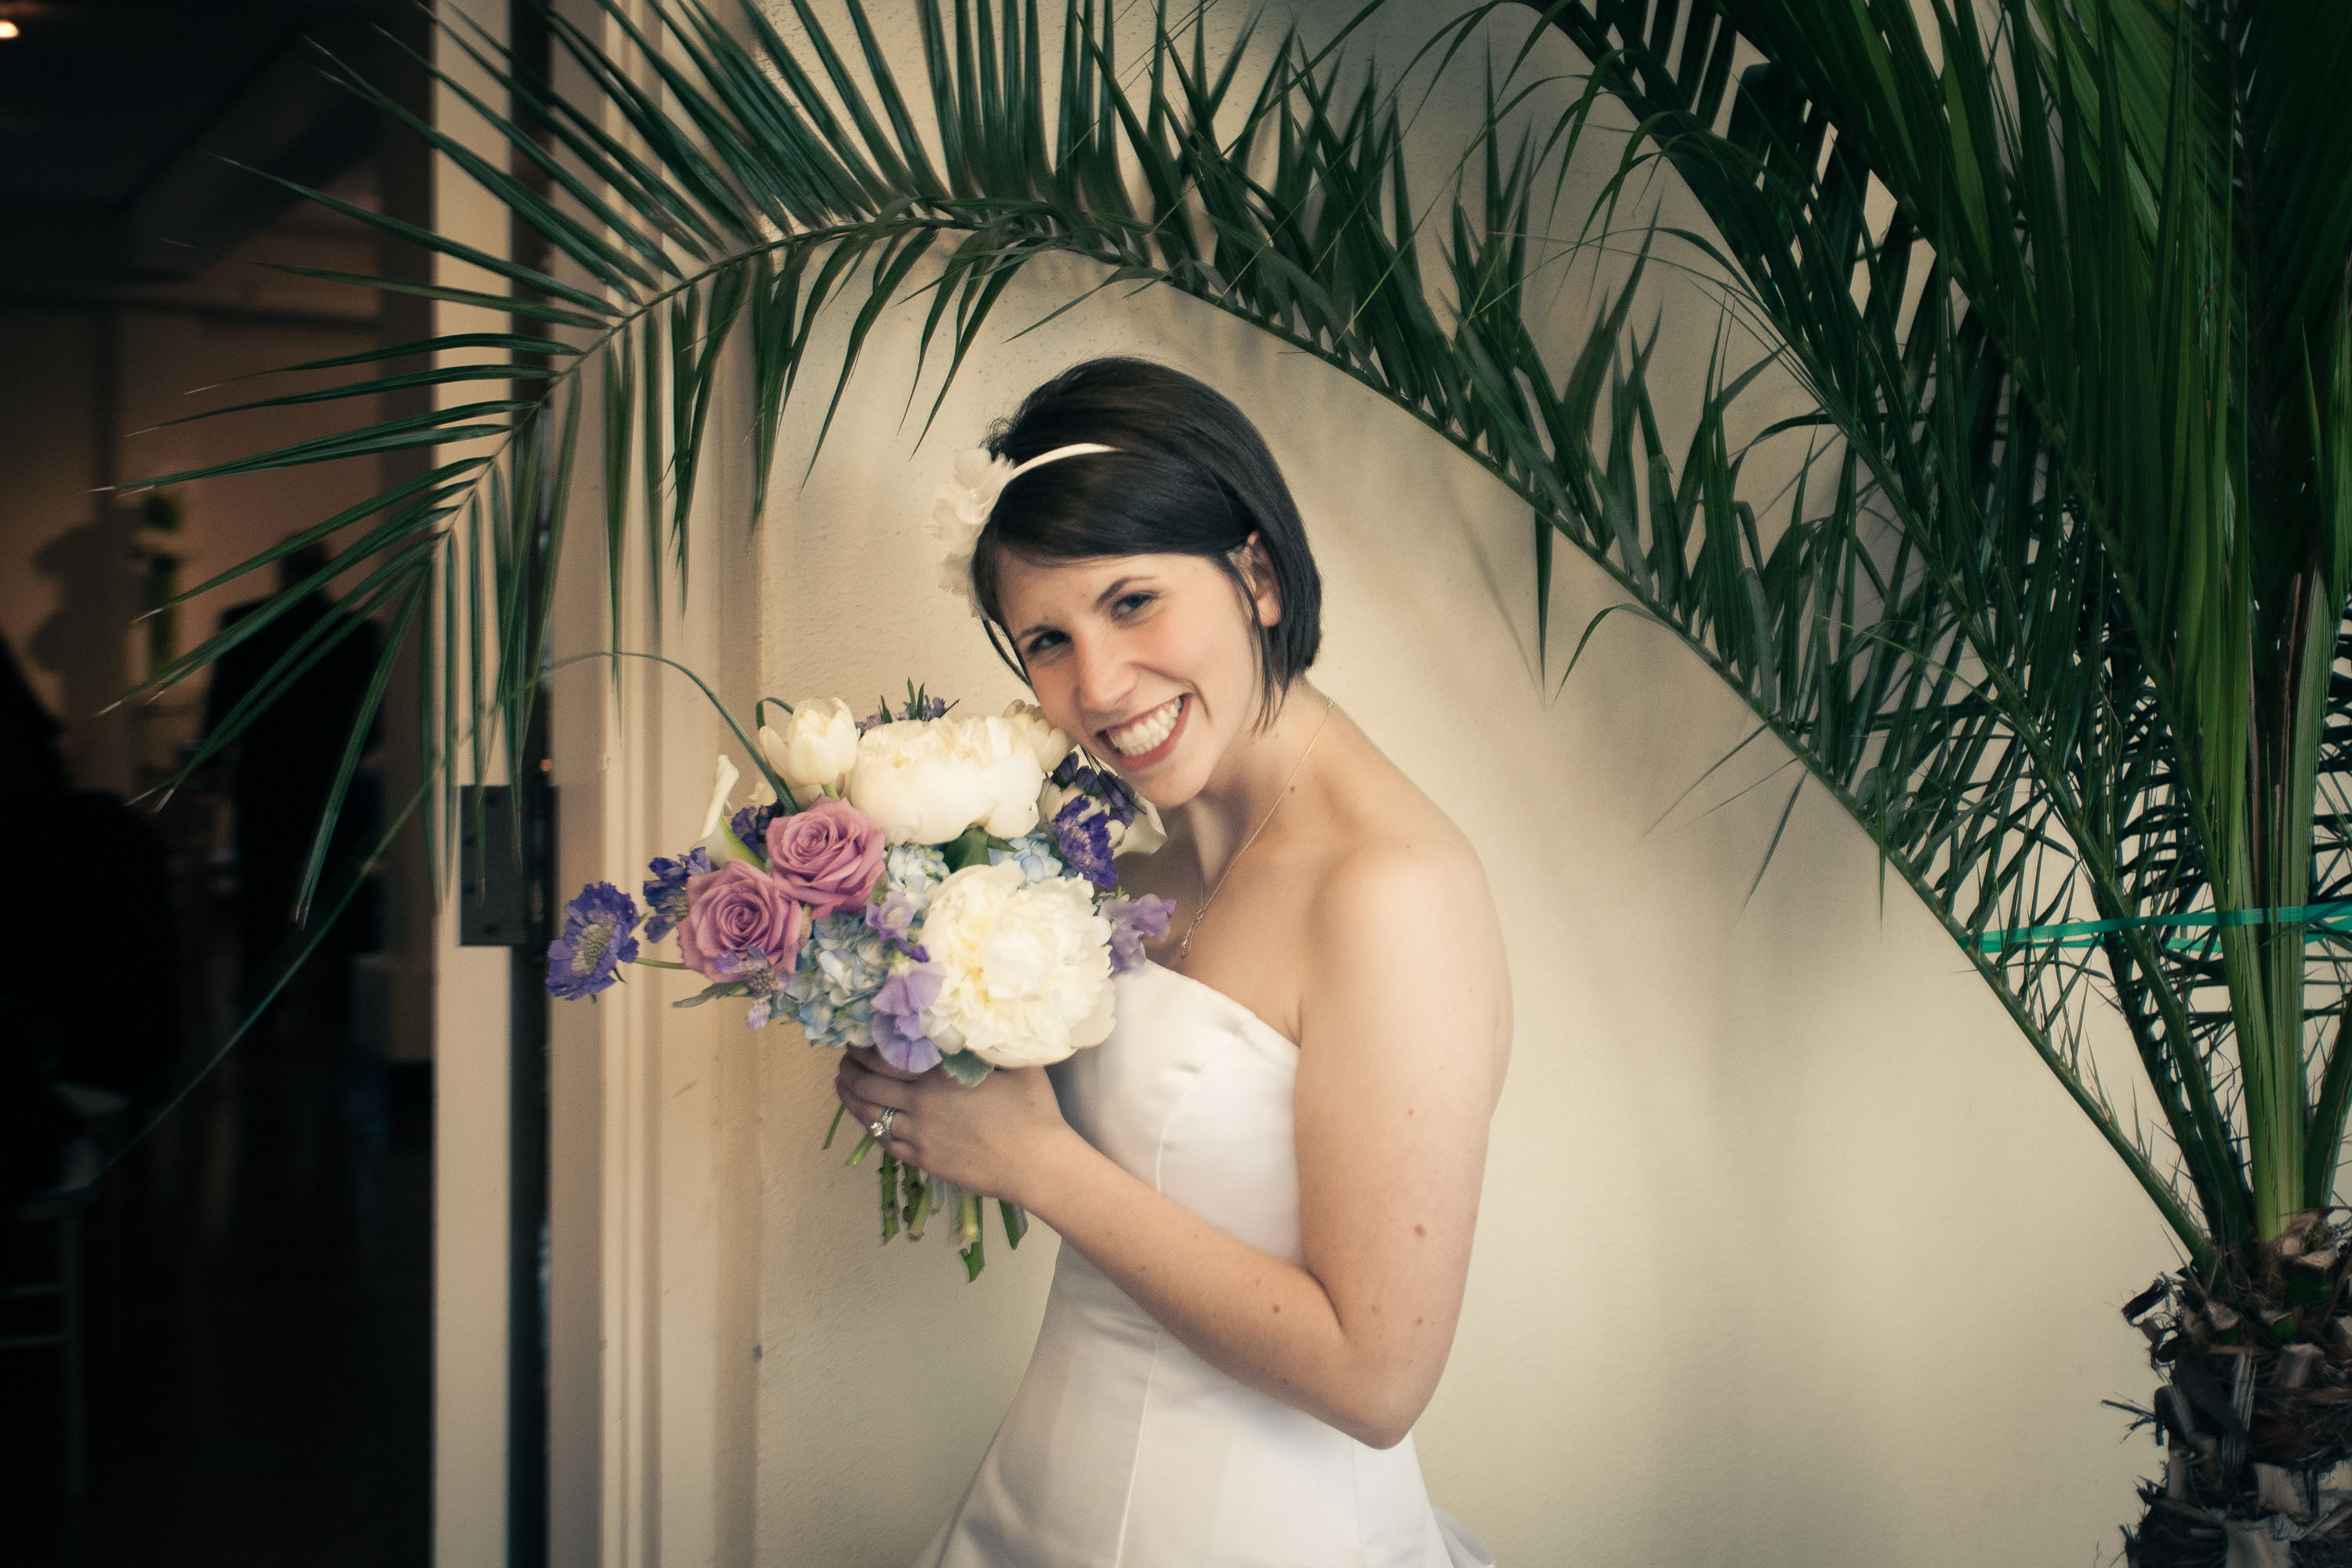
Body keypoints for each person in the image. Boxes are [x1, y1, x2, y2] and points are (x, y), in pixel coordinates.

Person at [833, 358, 1512, 1566]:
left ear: (1255, 574)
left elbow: (1377, 1379)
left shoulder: (1393, 892)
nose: (1096, 687)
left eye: (1134, 602)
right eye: (1048, 637)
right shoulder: (1135, 858)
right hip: (1043, 1502)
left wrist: (1037, 1165)